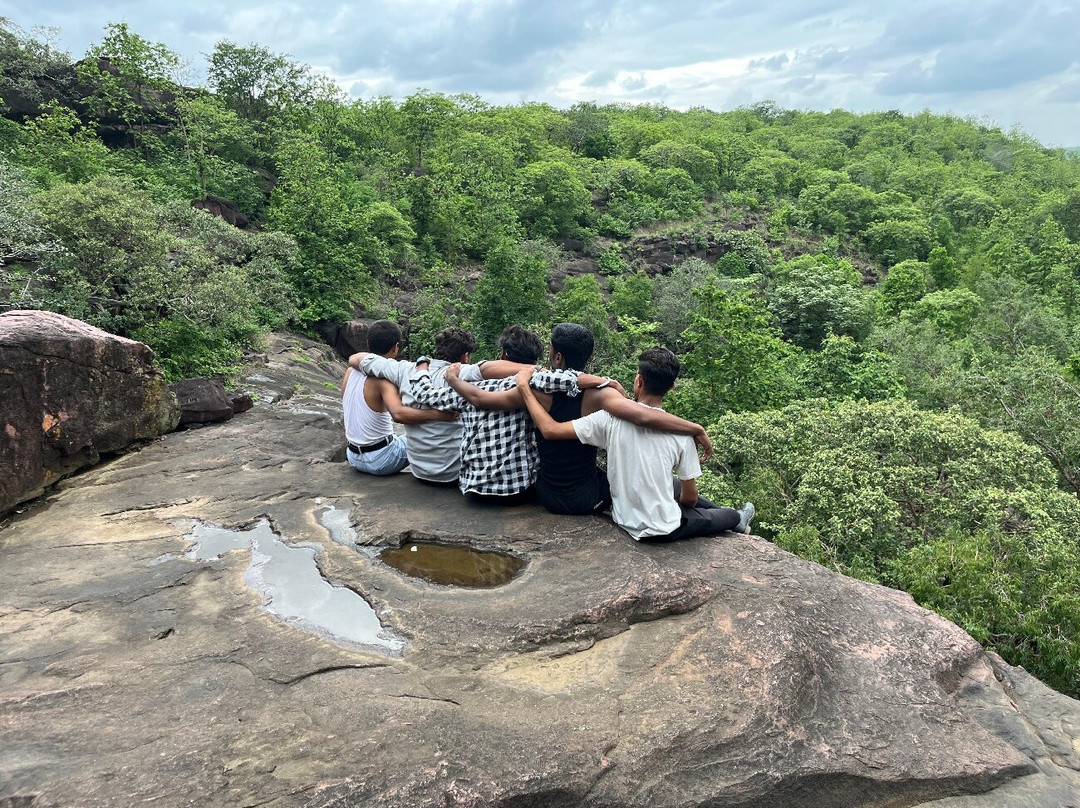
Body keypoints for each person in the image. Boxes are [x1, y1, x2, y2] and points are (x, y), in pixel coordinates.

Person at [444, 323, 713, 515]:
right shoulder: (602, 394)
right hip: (585, 496)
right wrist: (694, 428)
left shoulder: (535, 389)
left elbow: (481, 399)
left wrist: (454, 379)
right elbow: (643, 415)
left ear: (557, 356)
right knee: (661, 485)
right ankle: (709, 513)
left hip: (546, 493)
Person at [516, 347, 755, 541]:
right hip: (663, 529)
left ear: (639, 380)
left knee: (672, 485)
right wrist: (674, 506)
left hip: (623, 518)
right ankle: (738, 519)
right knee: (720, 516)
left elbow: (551, 430)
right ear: (671, 387)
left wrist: (524, 388)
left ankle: (716, 514)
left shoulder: (608, 419)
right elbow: (690, 499)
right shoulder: (683, 435)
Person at [409, 325, 568, 504]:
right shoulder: (537, 389)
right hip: (519, 490)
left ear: (503, 355)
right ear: (534, 360)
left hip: (475, 488)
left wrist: (422, 365)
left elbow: (425, 394)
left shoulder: (468, 389)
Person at [348, 326, 483, 485]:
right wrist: (438, 415)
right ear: (465, 357)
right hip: (385, 460)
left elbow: (355, 358)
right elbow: (398, 414)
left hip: (356, 455)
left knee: (408, 437)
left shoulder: (400, 369)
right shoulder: (464, 373)